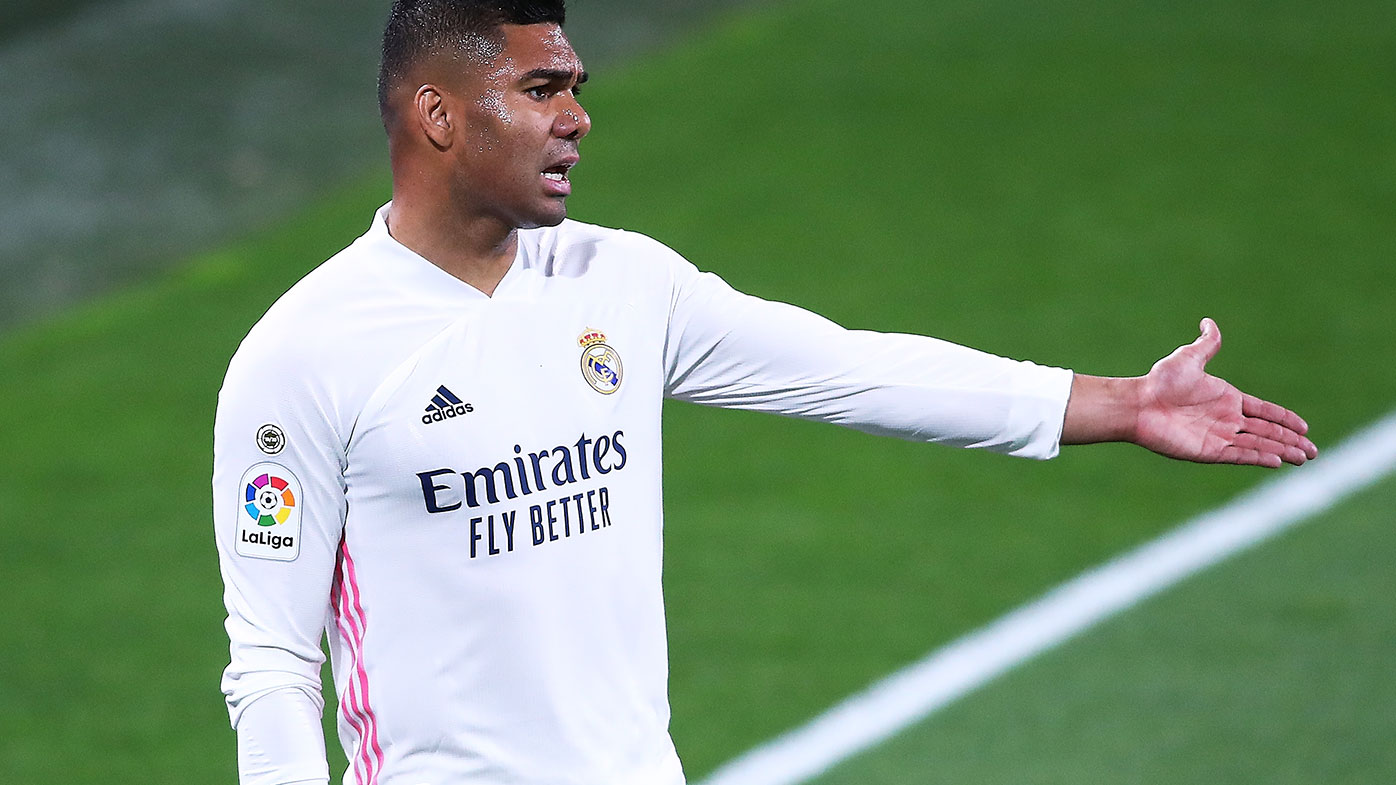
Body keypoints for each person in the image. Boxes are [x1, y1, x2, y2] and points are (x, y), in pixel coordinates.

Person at [211, 1, 1317, 783]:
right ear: (439, 116)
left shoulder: (623, 283)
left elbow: (850, 367)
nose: (578, 116)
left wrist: (1119, 403)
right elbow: (270, 654)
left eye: (576, 89)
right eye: (539, 88)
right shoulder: (305, 356)